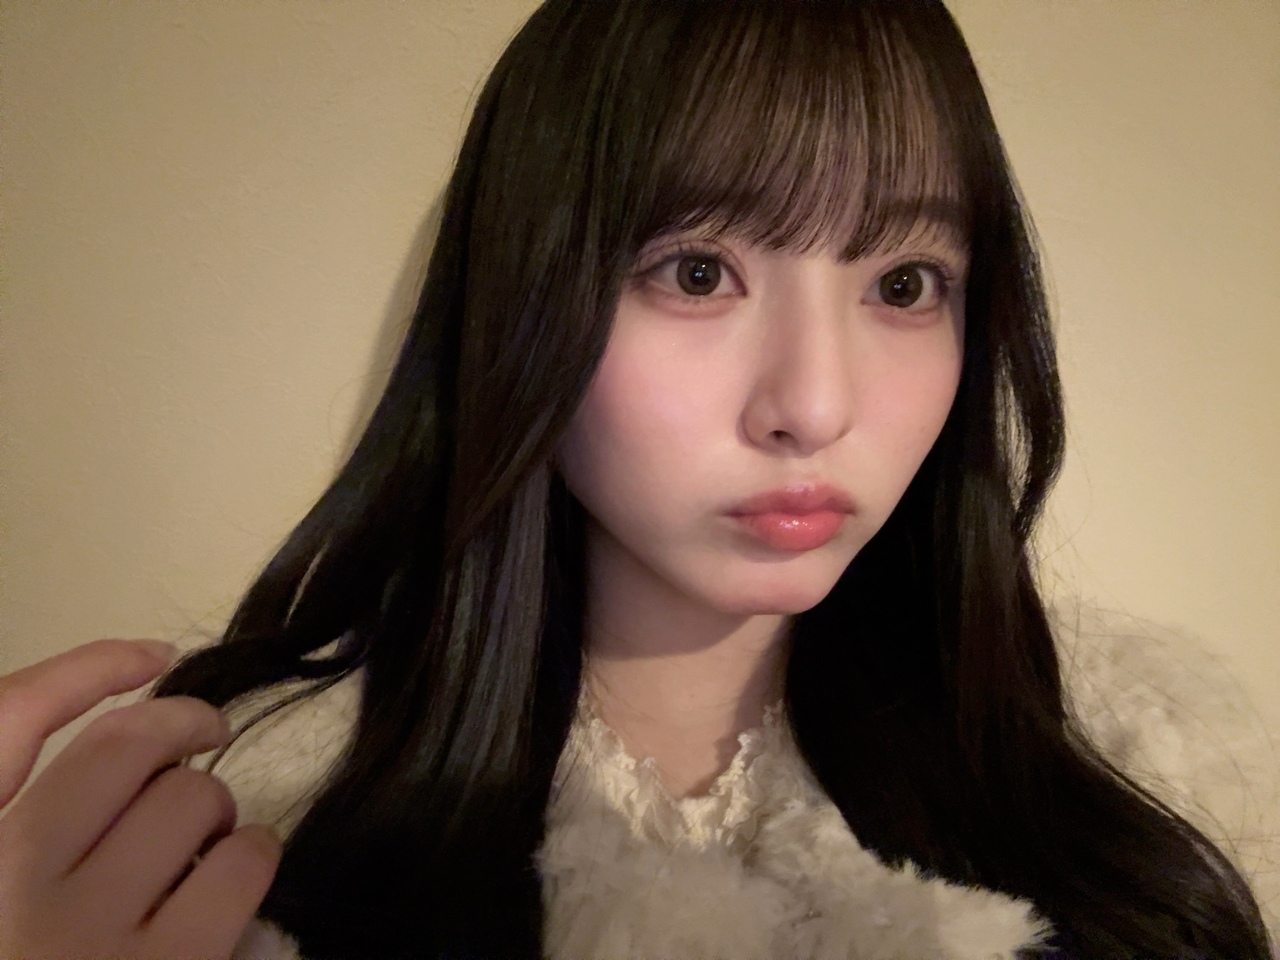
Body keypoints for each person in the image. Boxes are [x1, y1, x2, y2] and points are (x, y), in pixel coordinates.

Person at [0, 1, 1274, 958]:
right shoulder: (238, 825)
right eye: (697, 272)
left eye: (902, 283)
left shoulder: (1156, 773)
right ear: (526, 298)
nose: (813, 406)